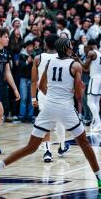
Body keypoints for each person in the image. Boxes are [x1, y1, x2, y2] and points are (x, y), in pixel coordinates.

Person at [0, 37, 101, 192]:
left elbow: (41, 86)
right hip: (65, 107)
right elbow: (78, 95)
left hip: (49, 105)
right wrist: (73, 90)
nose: (72, 48)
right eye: (70, 46)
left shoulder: (50, 63)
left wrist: (53, 96)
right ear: (67, 49)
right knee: (84, 142)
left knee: (31, 146)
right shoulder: (75, 65)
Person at [31, 34, 69, 163]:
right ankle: (62, 146)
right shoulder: (64, 58)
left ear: (45, 44)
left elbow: (33, 81)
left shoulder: (38, 58)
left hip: (43, 93)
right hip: (58, 93)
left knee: (45, 122)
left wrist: (33, 98)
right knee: (60, 121)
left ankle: (47, 151)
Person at [83, 39, 101, 131]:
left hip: (95, 78)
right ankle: (95, 122)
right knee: (96, 102)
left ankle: (99, 123)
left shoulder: (91, 53)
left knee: (90, 102)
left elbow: (85, 68)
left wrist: (77, 60)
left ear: (90, 46)